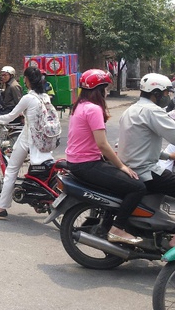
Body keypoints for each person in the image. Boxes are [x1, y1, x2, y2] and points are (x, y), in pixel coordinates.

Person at [63, 69, 144, 243]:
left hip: (77, 162)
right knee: (137, 187)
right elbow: (102, 143)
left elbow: (92, 143)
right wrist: (121, 165)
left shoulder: (79, 106)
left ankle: (110, 223)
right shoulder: (93, 109)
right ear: (98, 89)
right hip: (87, 165)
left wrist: (112, 158)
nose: (107, 92)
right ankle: (118, 228)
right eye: (105, 88)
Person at [0, 66, 54, 219]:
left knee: (11, 171)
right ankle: (39, 201)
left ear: (27, 80)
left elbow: (10, 116)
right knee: (44, 170)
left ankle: (2, 208)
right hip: (44, 137)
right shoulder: (45, 97)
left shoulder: (28, 98)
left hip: (29, 137)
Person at [117, 73, 175, 202]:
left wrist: (168, 156)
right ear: (156, 93)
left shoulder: (130, 110)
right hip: (145, 172)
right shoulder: (152, 111)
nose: (168, 97)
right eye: (166, 93)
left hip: (130, 167)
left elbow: (139, 145)